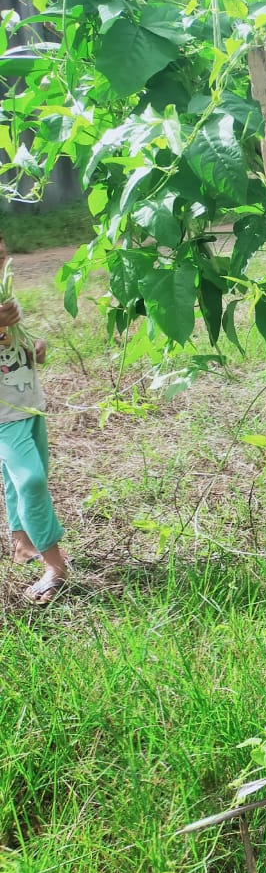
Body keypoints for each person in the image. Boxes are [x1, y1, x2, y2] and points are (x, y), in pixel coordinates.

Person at [0, 237, 69, 605]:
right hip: (3, 417)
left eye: (2, 256)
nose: (0, 264)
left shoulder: (6, 296)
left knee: (17, 478)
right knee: (31, 480)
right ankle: (56, 567)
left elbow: (15, 344)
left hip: (29, 405)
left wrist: (35, 345)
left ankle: (22, 543)